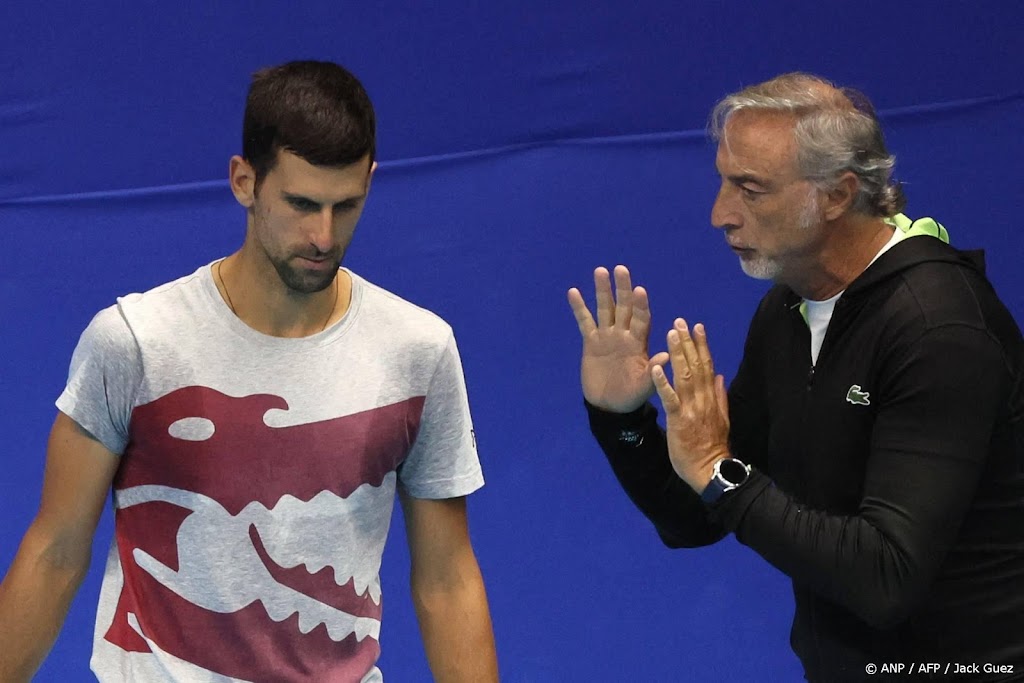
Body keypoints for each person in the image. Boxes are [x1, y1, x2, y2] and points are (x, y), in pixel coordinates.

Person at [0, 60, 498, 682]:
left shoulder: (418, 350)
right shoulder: (135, 341)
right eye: (300, 203)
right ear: (244, 181)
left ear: (370, 181)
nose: (322, 235)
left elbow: (447, 580)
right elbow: (55, 552)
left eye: (347, 206)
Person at [568, 73, 1024, 681]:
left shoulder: (938, 330)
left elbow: (884, 578)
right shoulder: (789, 310)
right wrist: (622, 420)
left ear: (837, 195)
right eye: (723, 182)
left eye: (749, 189)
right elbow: (696, 517)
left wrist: (718, 470)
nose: (718, 215)